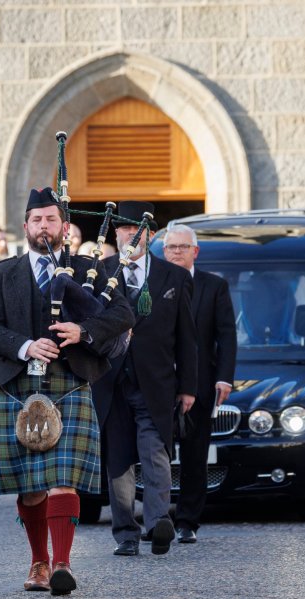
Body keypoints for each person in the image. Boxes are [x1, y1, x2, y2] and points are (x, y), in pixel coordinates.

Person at [0, 187, 134, 595]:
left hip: (69, 382)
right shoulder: (2, 273)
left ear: (64, 227)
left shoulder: (86, 269)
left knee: (62, 479)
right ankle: (39, 563)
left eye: (51, 219)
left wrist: (84, 330)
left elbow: (123, 313)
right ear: (25, 226)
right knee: (30, 487)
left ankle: (63, 563)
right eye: (37, 220)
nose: (43, 226)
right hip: (17, 384)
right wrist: (27, 345)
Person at [92, 201, 197, 557]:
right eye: (122, 228)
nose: (128, 235)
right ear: (116, 233)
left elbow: (187, 338)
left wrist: (188, 388)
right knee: (118, 460)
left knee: (155, 454)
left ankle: (157, 523)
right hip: (110, 381)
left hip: (156, 383)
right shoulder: (98, 272)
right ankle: (126, 533)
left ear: (149, 234)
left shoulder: (175, 277)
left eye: (135, 228)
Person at [163, 224, 237, 544]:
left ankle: (187, 521)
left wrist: (224, 377)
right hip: (160, 383)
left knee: (195, 455)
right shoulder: (152, 285)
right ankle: (157, 517)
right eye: (171, 248)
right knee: (156, 453)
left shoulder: (214, 286)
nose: (177, 252)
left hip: (202, 383)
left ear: (195, 251)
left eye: (182, 247)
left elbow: (226, 336)